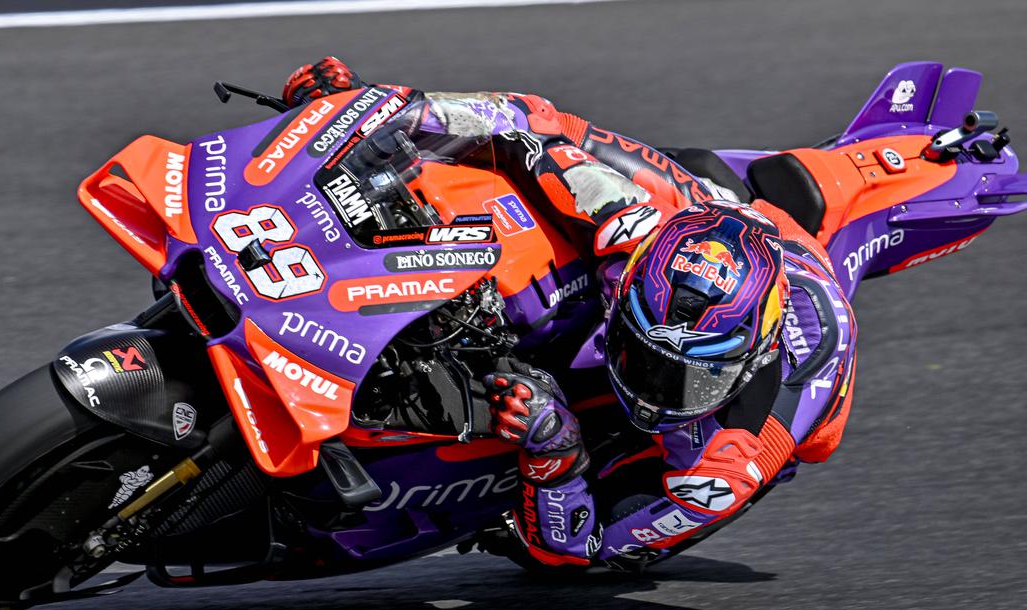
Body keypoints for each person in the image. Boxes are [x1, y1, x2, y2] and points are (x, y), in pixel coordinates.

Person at [284, 58, 857, 568]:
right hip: (708, 217)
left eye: (688, 378)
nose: (654, 390)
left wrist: (554, 449)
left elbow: (582, 550)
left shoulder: (725, 464)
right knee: (553, 159)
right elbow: (526, 121)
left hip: (776, 348)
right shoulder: (630, 229)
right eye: (643, 357)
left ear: (750, 356)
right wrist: (374, 110)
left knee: (561, 539)